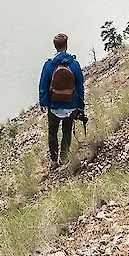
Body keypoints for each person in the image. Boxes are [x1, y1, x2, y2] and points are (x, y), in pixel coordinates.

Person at [38, 32, 85, 165]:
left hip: (54, 105)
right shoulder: (74, 64)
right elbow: (80, 86)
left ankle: (53, 161)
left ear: (55, 47)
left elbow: (43, 85)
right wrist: (80, 105)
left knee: (52, 133)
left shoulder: (49, 65)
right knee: (67, 132)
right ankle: (64, 159)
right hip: (71, 105)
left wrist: (44, 103)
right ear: (66, 45)